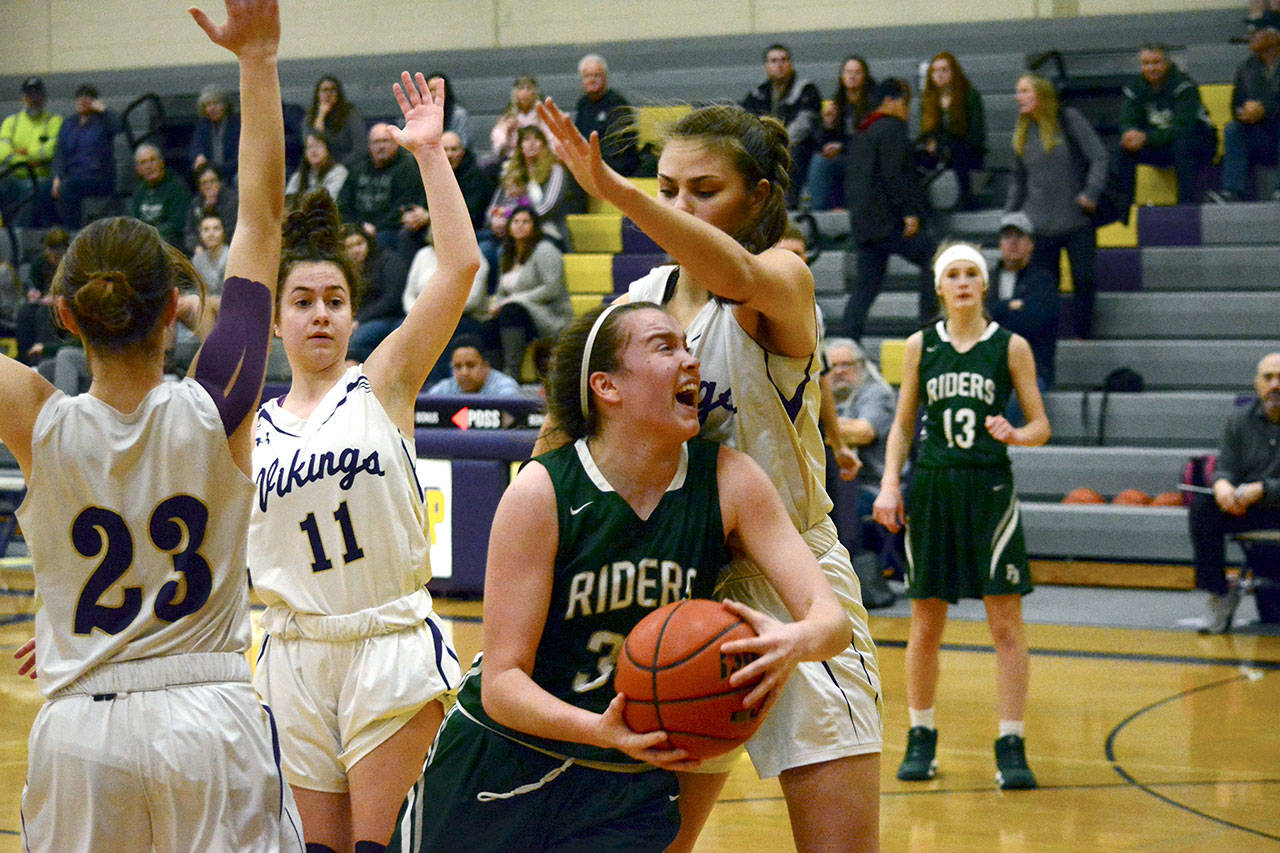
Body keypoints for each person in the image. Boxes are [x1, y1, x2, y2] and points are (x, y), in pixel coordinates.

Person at [539, 97, 883, 852]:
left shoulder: (782, 278)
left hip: (795, 582)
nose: (680, 205)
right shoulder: (639, 306)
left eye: (704, 189)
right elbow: (563, 434)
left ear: (757, 196)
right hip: (677, 592)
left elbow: (729, 270)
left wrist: (617, 194)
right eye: (666, 189)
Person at [392, 301, 852, 853]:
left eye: (688, 346)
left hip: (625, 786)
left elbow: (832, 620)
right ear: (606, 387)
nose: (690, 360)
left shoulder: (729, 480)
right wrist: (602, 732)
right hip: (501, 760)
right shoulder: (542, 491)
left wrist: (789, 642)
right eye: (665, 347)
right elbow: (503, 687)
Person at [7, 2, 302, 849]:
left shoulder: (35, 416)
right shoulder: (222, 399)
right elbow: (260, 220)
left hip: (80, 732)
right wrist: (258, 59)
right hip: (209, 718)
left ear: (64, 317)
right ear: (178, 309)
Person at [248, 71, 479, 853]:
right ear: (275, 321)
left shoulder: (385, 379)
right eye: (304, 301)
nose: (321, 313)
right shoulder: (249, 426)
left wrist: (429, 155)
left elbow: (458, 270)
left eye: (335, 300)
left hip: (385, 645)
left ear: (354, 312)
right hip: (294, 653)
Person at [873, 242, 1050, 791]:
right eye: (954, 273)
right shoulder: (920, 345)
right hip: (931, 488)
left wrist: (1017, 434)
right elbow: (903, 424)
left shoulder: (1011, 346)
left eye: (973, 272)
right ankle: (920, 736)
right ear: (939, 287)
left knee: (1005, 623)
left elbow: (1041, 424)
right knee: (926, 623)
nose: (965, 281)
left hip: (989, 489)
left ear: (985, 284)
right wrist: (887, 484)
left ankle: (1011, 741)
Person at [1006, 73, 1107, 339]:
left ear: (1040, 94)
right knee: (1044, 289)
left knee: (1084, 278)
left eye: (1025, 91)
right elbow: (1019, 179)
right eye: (1018, 91)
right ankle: (1045, 342)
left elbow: (1099, 157)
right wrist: (1009, 218)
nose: (1019, 97)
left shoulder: (1068, 119)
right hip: (1038, 223)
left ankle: (1083, 334)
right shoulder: (1021, 131)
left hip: (1076, 218)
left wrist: (1091, 192)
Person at [1187, 352, 1280, 634]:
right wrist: (1223, 487)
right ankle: (1218, 592)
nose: (1275, 384)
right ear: (1257, 384)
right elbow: (1225, 467)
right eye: (1268, 378)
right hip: (1252, 510)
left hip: (1270, 502)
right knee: (1204, 506)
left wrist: (1262, 489)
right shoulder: (1238, 421)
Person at [843, 77, 937, 343]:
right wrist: (909, 211)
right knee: (933, 258)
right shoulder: (892, 128)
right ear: (891, 102)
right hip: (888, 222)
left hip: (864, 223)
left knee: (865, 289)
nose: (907, 111)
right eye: (905, 103)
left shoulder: (863, 131)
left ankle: (848, 343)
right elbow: (895, 174)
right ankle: (928, 331)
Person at [1117, 43, 1217, 204]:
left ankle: (1186, 206)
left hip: (1199, 143)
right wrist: (1129, 133)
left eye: (1156, 62)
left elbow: (1183, 128)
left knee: (1182, 143)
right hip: (1160, 142)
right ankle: (1123, 209)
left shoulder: (1184, 86)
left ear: (1167, 63)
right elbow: (1127, 119)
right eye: (1146, 64)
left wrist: (1146, 138)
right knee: (1125, 148)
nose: (1151, 68)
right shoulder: (1134, 88)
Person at [482, 205, 572, 380]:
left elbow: (552, 288)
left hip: (549, 315)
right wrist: (497, 305)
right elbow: (501, 291)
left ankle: (512, 373)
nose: (520, 225)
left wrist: (516, 300)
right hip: (518, 313)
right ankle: (494, 377)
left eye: (525, 221)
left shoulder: (545, 250)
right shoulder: (507, 254)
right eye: (515, 221)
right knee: (488, 324)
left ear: (534, 226)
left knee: (511, 311)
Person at [986, 211, 1059, 393]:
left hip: (1032, 368)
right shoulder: (986, 280)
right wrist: (1008, 306)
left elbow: (1032, 324)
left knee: (1011, 396)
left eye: (1019, 236)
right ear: (1000, 243)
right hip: (988, 367)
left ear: (1031, 244)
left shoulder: (1043, 281)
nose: (1013, 242)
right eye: (1007, 236)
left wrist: (996, 313)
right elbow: (976, 320)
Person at [742, 44, 822, 207]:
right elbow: (747, 122)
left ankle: (787, 207)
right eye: (773, 61)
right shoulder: (757, 93)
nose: (779, 65)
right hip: (765, 146)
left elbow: (804, 125)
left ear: (790, 64)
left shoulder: (806, 89)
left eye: (784, 60)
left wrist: (778, 143)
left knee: (793, 154)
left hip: (797, 145)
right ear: (766, 66)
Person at [1214, 13, 1280, 202]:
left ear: (1275, 36)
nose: (1250, 36)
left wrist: (1264, 110)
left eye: (1255, 31)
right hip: (1261, 133)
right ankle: (1232, 191)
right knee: (1234, 129)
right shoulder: (1247, 68)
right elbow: (1235, 105)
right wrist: (1244, 113)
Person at [486, 125, 575, 249]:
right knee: (482, 247)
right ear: (520, 146)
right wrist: (494, 219)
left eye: (536, 139)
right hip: (508, 232)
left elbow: (548, 207)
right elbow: (495, 205)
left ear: (543, 144)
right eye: (526, 140)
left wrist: (513, 220)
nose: (531, 144)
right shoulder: (512, 171)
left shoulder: (555, 170)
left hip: (546, 231)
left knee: (505, 251)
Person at [338, 122, 427, 248]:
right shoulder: (358, 168)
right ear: (369, 145)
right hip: (358, 227)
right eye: (376, 142)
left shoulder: (408, 168)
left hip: (389, 230)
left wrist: (375, 228)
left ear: (396, 143)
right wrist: (356, 227)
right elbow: (343, 203)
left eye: (386, 141)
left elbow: (402, 208)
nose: (381, 146)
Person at [918, 51, 986, 210]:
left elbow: (976, 135)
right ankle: (922, 203)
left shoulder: (969, 95)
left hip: (966, 148)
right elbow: (927, 132)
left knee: (957, 151)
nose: (939, 75)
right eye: (935, 71)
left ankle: (967, 199)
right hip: (941, 148)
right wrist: (930, 142)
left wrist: (944, 143)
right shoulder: (929, 99)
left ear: (953, 72)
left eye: (944, 70)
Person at [806, 55, 876, 211]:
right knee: (819, 159)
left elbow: (870, 138)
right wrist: (828, 125)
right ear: (841, 76)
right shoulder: (837, 103)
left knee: (824, 163)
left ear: (865, 76)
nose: (852, 76)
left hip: (866, 159)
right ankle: (818, 215)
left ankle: (822, 211)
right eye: (847, 72)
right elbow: (821, 143)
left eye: (857, 72)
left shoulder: (873, 103)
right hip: (844, 158)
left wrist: (842, 147)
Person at [51, 84, 117, 228]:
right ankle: (51, 231)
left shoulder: (103, 121)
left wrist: (104, 110)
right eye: (79, 98)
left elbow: (119, 126)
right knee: (44, 188)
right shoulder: (69, 124)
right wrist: (57, 176)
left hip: (98, 177)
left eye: (86, 99)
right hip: (73, 175)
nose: (82, 102)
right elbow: (60, 153)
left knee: (68, 187)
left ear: (94, 102)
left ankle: (72, 231)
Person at [0, 77, 62, 226]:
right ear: (23, 99)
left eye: (38, 95)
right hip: (14, 176)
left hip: (41, 178)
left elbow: (50, 151)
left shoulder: (54, 121)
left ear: (44, 97)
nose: (34, 99)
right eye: (30, 95)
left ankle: (18, 236)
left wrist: (21, 152)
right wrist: (30, 159)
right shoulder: (11, 122)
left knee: (31, 189)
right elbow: (2, 153)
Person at [342, 222, 408, 362]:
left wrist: (359, 320)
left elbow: (392, 299)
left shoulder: (388, 260)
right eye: (349, 247)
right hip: (360, 319)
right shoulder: (344, 269)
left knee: (357, 340)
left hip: (389, 317)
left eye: (359, 244)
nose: (356, 250)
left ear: (368, 242)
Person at [574, 53, 639, 177]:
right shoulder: (582, 104)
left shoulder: (618, 104)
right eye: (587, 76)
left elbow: (618, 149)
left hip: (617, 168)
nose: (592, 80)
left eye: (597, 75)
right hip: (590, 164)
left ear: (605, 78)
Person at [130, 142, 192, 248]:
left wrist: (148, 235)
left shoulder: (176, 187)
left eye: (152, 160)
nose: (149, 166)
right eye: (144, 162)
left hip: (170, 244)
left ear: (161, 162)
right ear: (138, 170)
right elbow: (133, 221)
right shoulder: (139, 191)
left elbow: (177, 224)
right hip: (144, 243)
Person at [426, 334, 520, 396]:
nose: (464, 373)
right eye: (458, 367)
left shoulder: (504, 387)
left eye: (470, 365)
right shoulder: (445, 388)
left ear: (486, 366)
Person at [305, 75, 365, 166]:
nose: (328, 94)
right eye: (324, 90)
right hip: (319, 167)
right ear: (318, 94)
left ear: (338, 94)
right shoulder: (311, 117)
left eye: (332, 90)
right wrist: (321, 116)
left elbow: (360, 148)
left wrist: (338, 167)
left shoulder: (350, 113)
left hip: (348, 165)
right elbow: (312, 146)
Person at [488, 75, 545, 170]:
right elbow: (497, 148)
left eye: (528, 88)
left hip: (540, 159)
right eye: (521, 88)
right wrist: (507, 132)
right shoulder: (508, 116)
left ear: (535, 93)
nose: (524, 93)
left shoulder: (543, 116)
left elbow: (552, 141)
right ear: (515, 93)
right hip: (513, 160)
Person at [183, 164, 238, 255]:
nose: (208, 186)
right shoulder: (197, 202)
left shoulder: (232, 201)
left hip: (229, 251)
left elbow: (233, 232)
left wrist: (213, 210)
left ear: (220, 182)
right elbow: (189, 232)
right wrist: (196, 246)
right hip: (203, 252)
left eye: (212, 181)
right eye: (204, 183)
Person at [190, 84, 241, 181]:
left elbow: (239, 159)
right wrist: (199, 155)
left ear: (225, 105)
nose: (212, 108)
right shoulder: (203, 124)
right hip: (211, 174)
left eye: (216, 103)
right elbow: (196, 146)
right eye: (208, 105)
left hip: (233, 172)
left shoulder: (237, 124)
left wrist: (217, 171)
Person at [285, 130, 349, 203]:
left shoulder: (338, 172)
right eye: (309, 147)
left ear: (327, 150)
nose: (313, 151)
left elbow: (330, 199)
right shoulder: (299, 176)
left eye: (318, 146)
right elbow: (288, 201)